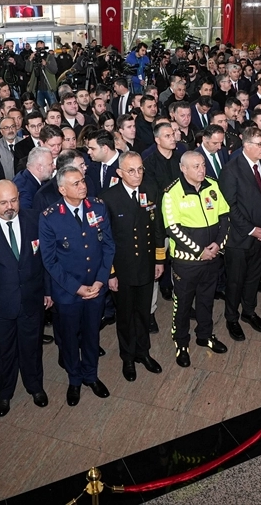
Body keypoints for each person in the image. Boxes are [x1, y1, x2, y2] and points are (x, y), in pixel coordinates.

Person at [0, 181, 51, 417]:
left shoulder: (35, 219)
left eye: (13, 200)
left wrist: (47, 291)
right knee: (3, 352)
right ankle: (4, 393)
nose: (9, 207)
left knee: (32, 348)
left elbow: (44, 260)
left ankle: (35, 387)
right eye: (3, 202)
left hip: (32, 300)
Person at [39, 165, 114, 406]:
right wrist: (77, 288)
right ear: (62, 189)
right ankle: (74, 379)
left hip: (96, 286)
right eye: (76, 183)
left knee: (92, 334)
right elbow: (49, 260)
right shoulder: (50, 216)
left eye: (82, 181)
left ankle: (91, 375)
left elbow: (108, 246)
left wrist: (101, 280)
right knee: (69, 338)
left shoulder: (98, 207)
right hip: (68, 292)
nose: (83, 186)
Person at [99, 152, 164, 380]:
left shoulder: (150, 190)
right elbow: (105, 240)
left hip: (146, 264)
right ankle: (127, 357)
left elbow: (157, 227)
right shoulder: (108, 198)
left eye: (140, 169)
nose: (137, 175)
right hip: (123, 268)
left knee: (144, 313)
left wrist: (159, 259)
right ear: (119, 173)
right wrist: (111, 273)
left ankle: (143, 352)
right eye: (131, 171)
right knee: (125, 316)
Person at [162, 151, 230, 367]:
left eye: (202, 165)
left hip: (212, 258)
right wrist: (199, 251)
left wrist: (218, 244)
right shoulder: (172, 193)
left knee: (206, 300)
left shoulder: (212, 184)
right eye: (196, 166)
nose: (202, 170)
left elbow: (224, 217)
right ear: (183, 169)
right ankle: (181, 342)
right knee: (182, 305)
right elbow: (173, 229)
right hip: (187, 262)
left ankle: (205, 335)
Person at [218, 127, 261, 342]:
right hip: (240, 238)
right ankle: (232, 318)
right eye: (260, 144)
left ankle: (249, 312)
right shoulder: (231, 170)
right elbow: (229, 206)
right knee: (235, 281)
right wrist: (252, 230)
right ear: (247, 145)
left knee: (254, 277)